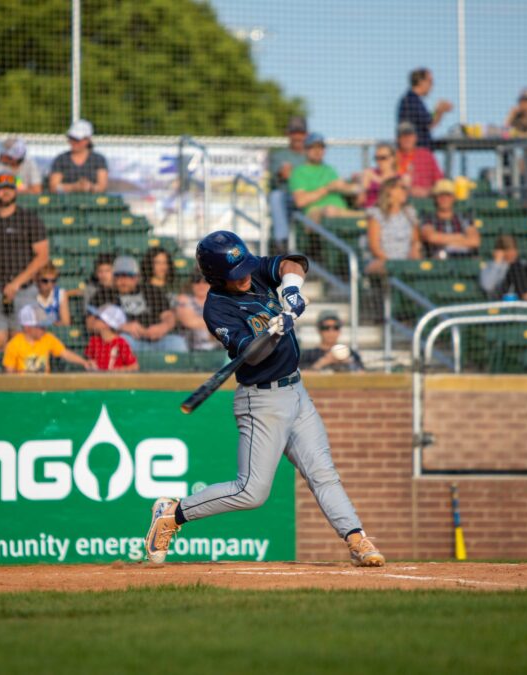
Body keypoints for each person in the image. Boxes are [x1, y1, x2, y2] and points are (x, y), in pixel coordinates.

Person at [143, 230, 384, 567]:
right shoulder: (217, 309)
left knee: (323, 473)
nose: (244, 277)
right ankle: (172, 513)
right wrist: (274, 330)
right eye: (235, 275)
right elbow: (253, 356)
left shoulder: (252, 268)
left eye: (244, 270)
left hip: (296, 392)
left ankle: (357, 539)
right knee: (251, 492)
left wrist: (291, 290)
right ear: (216, 276)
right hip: (261, 402)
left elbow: (293, 262)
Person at [0, 171, 50, 342]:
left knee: (21, 342)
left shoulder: (29, 219)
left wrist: (16, 283)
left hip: (24, 291)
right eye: (0, 188)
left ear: (16, 191)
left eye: (9, 188)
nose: (5, 192)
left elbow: (42, 256)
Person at [90, 255, 188, 353]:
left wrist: (163, 327)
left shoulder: (151, 291)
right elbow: (91, 323)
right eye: (119, 276)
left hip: (157, 340)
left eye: (129, 276)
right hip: (129, 339)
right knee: (122, 340)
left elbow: (168, 315)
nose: (124, 281)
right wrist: (122, 326)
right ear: (114, 277)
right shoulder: (103, 295)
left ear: (136, 277)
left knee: (177, 343)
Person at [289, 132, 360, 221]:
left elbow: (348, 189)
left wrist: (352, 186)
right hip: (316, 215)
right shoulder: (299, 172)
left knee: (370, 213)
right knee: (330, 210)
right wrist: (327, 189)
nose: (317, 151)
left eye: (321, 147)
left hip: (341, 211)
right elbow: (300, 201)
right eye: (313, 147)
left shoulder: (330, 170)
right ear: (305, 150)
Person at [3, 304, 93, 373]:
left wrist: (84, 362)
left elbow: (65, 353)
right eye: (41, 327)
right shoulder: (13, 344)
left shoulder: (48, 338)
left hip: (44, 384)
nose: (44, 329)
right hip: (24, 388)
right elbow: (9, 371)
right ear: (27, 328)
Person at [267, 116, 309, 250]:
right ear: (288, 134)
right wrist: (280, 174)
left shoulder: (311, 155)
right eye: (294, 132)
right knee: (276, 196)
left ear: (306, 134)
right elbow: (272, 181)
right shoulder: (279, 155)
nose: (297, 136)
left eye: (300, 133)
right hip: (288, 199)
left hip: (308, 197)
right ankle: (282, 242)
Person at [364, 177, 421, 275]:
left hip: (405, 261)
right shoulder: (376, 214)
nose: (405, 191)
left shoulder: (410, 213)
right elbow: (375, 247)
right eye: (402, 188)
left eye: (406, 188)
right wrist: (392, 265)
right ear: (390, 190)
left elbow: (415, 242)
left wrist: (414, 260)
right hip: (383, 261)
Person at [420, 179, 480, 258]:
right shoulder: (429, 218)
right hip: (439, 262)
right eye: (441, 195)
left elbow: (475, 241)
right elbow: (430, 237)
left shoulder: (463, 218)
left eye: (448, 195)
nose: (444, 199)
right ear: (435, 198)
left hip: (463, 260)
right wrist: (460, 237)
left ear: (453, 198)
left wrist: (442, 240)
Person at [396, 67, 453, 150]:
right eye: (430, 82)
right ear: (421, 82)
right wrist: (439, 110)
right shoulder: (411, 100)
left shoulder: (413, 100)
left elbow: (427, 120)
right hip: (416, 152)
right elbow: (429, 123)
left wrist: (438, 111)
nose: (432, 85)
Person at [479, 234, 527, 300]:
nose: (513, 253)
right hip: (504, 296)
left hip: (522, 289)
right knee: (515, 267)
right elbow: (487, 286)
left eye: (514, 249)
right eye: (508, 249)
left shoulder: (519, 264)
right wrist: (497, 263)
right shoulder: (491, 266)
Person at [48, 119, 108, 194]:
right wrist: (74, 187)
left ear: (87, 140)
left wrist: (89, 187)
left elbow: (102, 186)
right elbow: (53, 187)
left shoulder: (98, 160)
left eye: (77, 139)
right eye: (71, 138)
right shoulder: (61, 159)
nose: (74, 142)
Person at [394, 122, 444, 199]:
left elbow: (439, 181)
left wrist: (428, 191)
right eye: (403, 136)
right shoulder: (393, 157)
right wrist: (408, 190)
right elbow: (388, 183)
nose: (407, 139)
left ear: (415, 137)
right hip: (402, 200)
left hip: (428, 200)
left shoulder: (426, 155)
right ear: (398, 139)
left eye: (410, 135)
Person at [84, 304, 138, 372]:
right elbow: (89, 360)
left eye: (98, 318)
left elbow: (134, 366)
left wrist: (117, 371)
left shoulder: (121, 343)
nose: (94, 320)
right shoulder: (94, 340)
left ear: (107, 324)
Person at [174, 271, 219, 352]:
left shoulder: (217, 301)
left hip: (218, 348)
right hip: (191, 349)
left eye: (205, 281)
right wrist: (216, 323)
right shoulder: (183, 299)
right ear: (192, 284)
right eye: (197, 281)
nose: (201, 285)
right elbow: (189, 321)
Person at [358, 142, 397, 209]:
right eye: (376, 158)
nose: (379, 161)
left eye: (383, 158)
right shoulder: (369, 173)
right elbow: (359, 202)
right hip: (368, 212)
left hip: (388, 214)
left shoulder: (400, 178)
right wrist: (363, 186)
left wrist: (377, 179)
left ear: (392, 158)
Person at [32, 262, 70, 326]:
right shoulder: (31, 295)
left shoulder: (60, 293)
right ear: (37, 279)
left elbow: (65, 322)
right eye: (45, 281)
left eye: (53, 281)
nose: (49, 285)